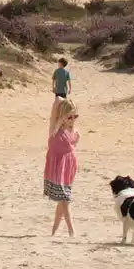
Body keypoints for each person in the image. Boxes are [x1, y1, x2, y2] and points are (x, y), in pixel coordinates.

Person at [44, 98, 79, 236]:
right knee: (64, 199)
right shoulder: (55, 128)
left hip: (68, 168)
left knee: (63, 199)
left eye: (74, 116)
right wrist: (61, 116)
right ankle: (71, 229)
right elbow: (57, 100)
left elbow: (72, 148)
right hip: (57, 167)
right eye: (69, 116)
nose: (72, 119)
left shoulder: (73, 130)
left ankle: (54, 230)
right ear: (63, 116)